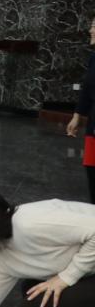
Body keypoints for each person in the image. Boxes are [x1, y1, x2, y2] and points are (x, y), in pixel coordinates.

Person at [67, 15, 95, 204]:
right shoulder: (94, 58)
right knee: (92, 172)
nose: (90, 30)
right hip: (93, 127)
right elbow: (87, 89)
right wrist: (77, 116)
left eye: (94, 26)